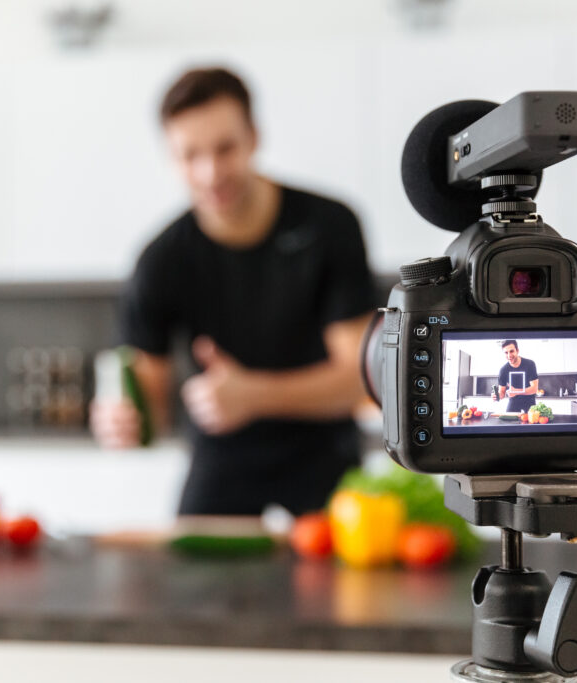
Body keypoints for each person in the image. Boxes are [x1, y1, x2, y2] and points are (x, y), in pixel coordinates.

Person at [90, 67, 376, 516]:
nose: (210, 172)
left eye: (225, 148)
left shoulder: (330, 226)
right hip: (220, 464)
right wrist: (121, 421)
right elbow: (148, 403)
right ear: (170, 156)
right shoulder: (160, 260)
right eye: (190, 155)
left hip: (326, 460)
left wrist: (253, 394)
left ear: (253, 138)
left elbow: (360, 378)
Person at [497, 340, 539, 413]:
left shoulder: (530, 364)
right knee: (509, 423)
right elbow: (502, 393)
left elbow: (534, 389)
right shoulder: (503, 370)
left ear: (517, 351)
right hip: (513, 401)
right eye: (506, 353)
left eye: (511, 351)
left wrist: (516, 391)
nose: (509, 355)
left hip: (529, 401)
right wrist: (497, 396)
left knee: (531, 422)